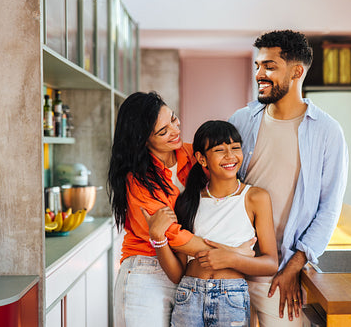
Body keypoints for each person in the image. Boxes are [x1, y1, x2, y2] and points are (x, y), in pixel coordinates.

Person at [228, 30, 349, 326]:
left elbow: (328, 208)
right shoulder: (241, 121)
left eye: (269, 66)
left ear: (296, 72)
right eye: (258, 66)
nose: (260, 74)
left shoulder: (327, 132)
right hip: (233, 265)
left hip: (280, 273)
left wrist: (294, 267)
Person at [108, 92, 255, 326]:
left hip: (188, 273)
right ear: (143, 140)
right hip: (147, 272)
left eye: (174, 120)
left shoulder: (192, 154)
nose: (175, 131)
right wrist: (233, 254)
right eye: (163, 131)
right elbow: (173, 235)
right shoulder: (137, 180)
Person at [147, 120, 278, 327]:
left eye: (235, 148)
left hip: (231, 298)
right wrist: (158, 239)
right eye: (220, 150)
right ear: (201, 158)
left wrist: (230, 259)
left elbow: (271, 264)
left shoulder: (256, 197)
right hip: (189, 295)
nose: (230, 156)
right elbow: (177, 274)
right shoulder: (187, 201)